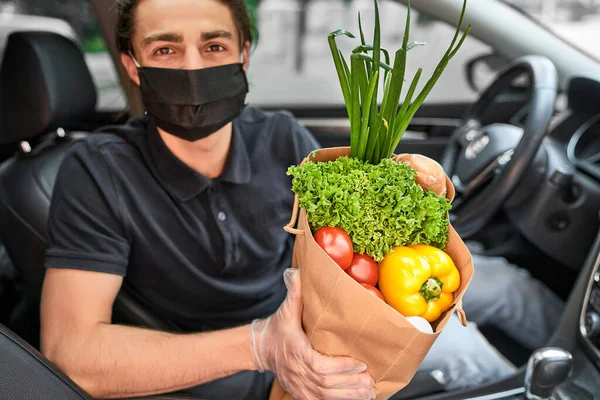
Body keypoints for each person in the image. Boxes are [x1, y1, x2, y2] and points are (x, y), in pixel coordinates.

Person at [39, 0, 563, 398]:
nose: (193, 70)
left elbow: (352, 238)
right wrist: (260, 345)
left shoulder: (282, 138)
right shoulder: (97, 172)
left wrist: (403, 189)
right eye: (166, 49)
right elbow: (73, 354)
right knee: (474, 361)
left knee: (509, 285)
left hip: (327, 306)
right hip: (252, 358)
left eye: (215, 46)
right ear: (133, 65)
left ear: (243, 55)